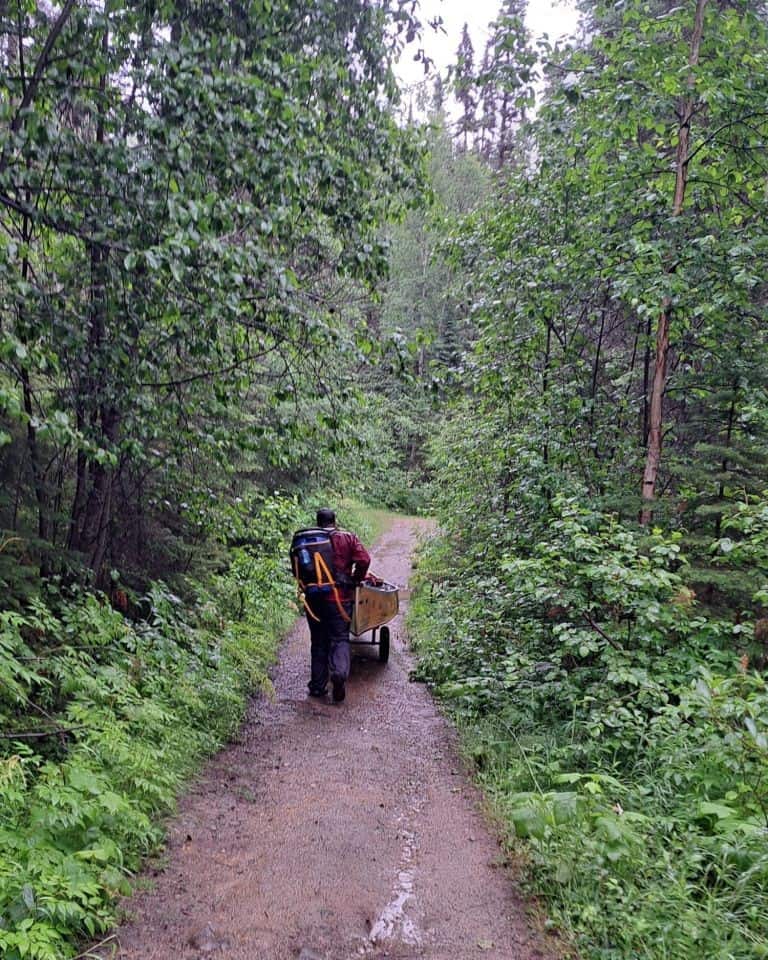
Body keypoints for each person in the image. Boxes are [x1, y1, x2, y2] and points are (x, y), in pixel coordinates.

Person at [306, 507, 370, 703]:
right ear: (335, 521)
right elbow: (364, 560)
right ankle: (339, 675)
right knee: (339, 638)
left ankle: (317, 687)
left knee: (318, 641)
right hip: (339, 599)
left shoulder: (308, 540)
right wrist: (355, 579)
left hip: (314, 600)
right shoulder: (347, 538)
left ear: (318, 522)